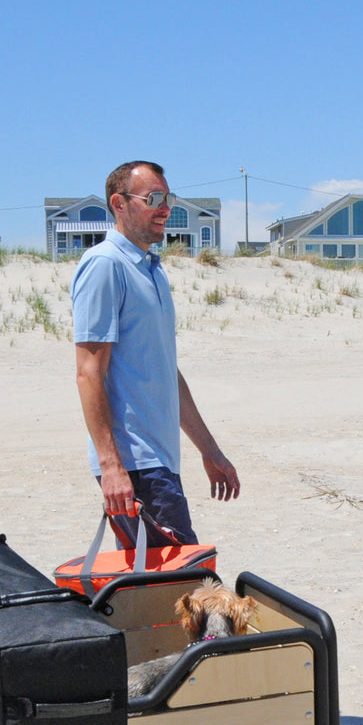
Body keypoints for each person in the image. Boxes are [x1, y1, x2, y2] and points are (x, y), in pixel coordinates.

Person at [72, 160, 240, 548]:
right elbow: (88, 372)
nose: (165, 207)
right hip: (135, 462)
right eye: (154, 198)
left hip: (159, 459)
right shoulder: (104, 265)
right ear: (119, 203)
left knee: (150, 587)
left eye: (168, 198)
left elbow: (166, 374)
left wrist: (209, 450)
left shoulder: (151, 270)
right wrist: (111, 466)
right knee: (181, 582)